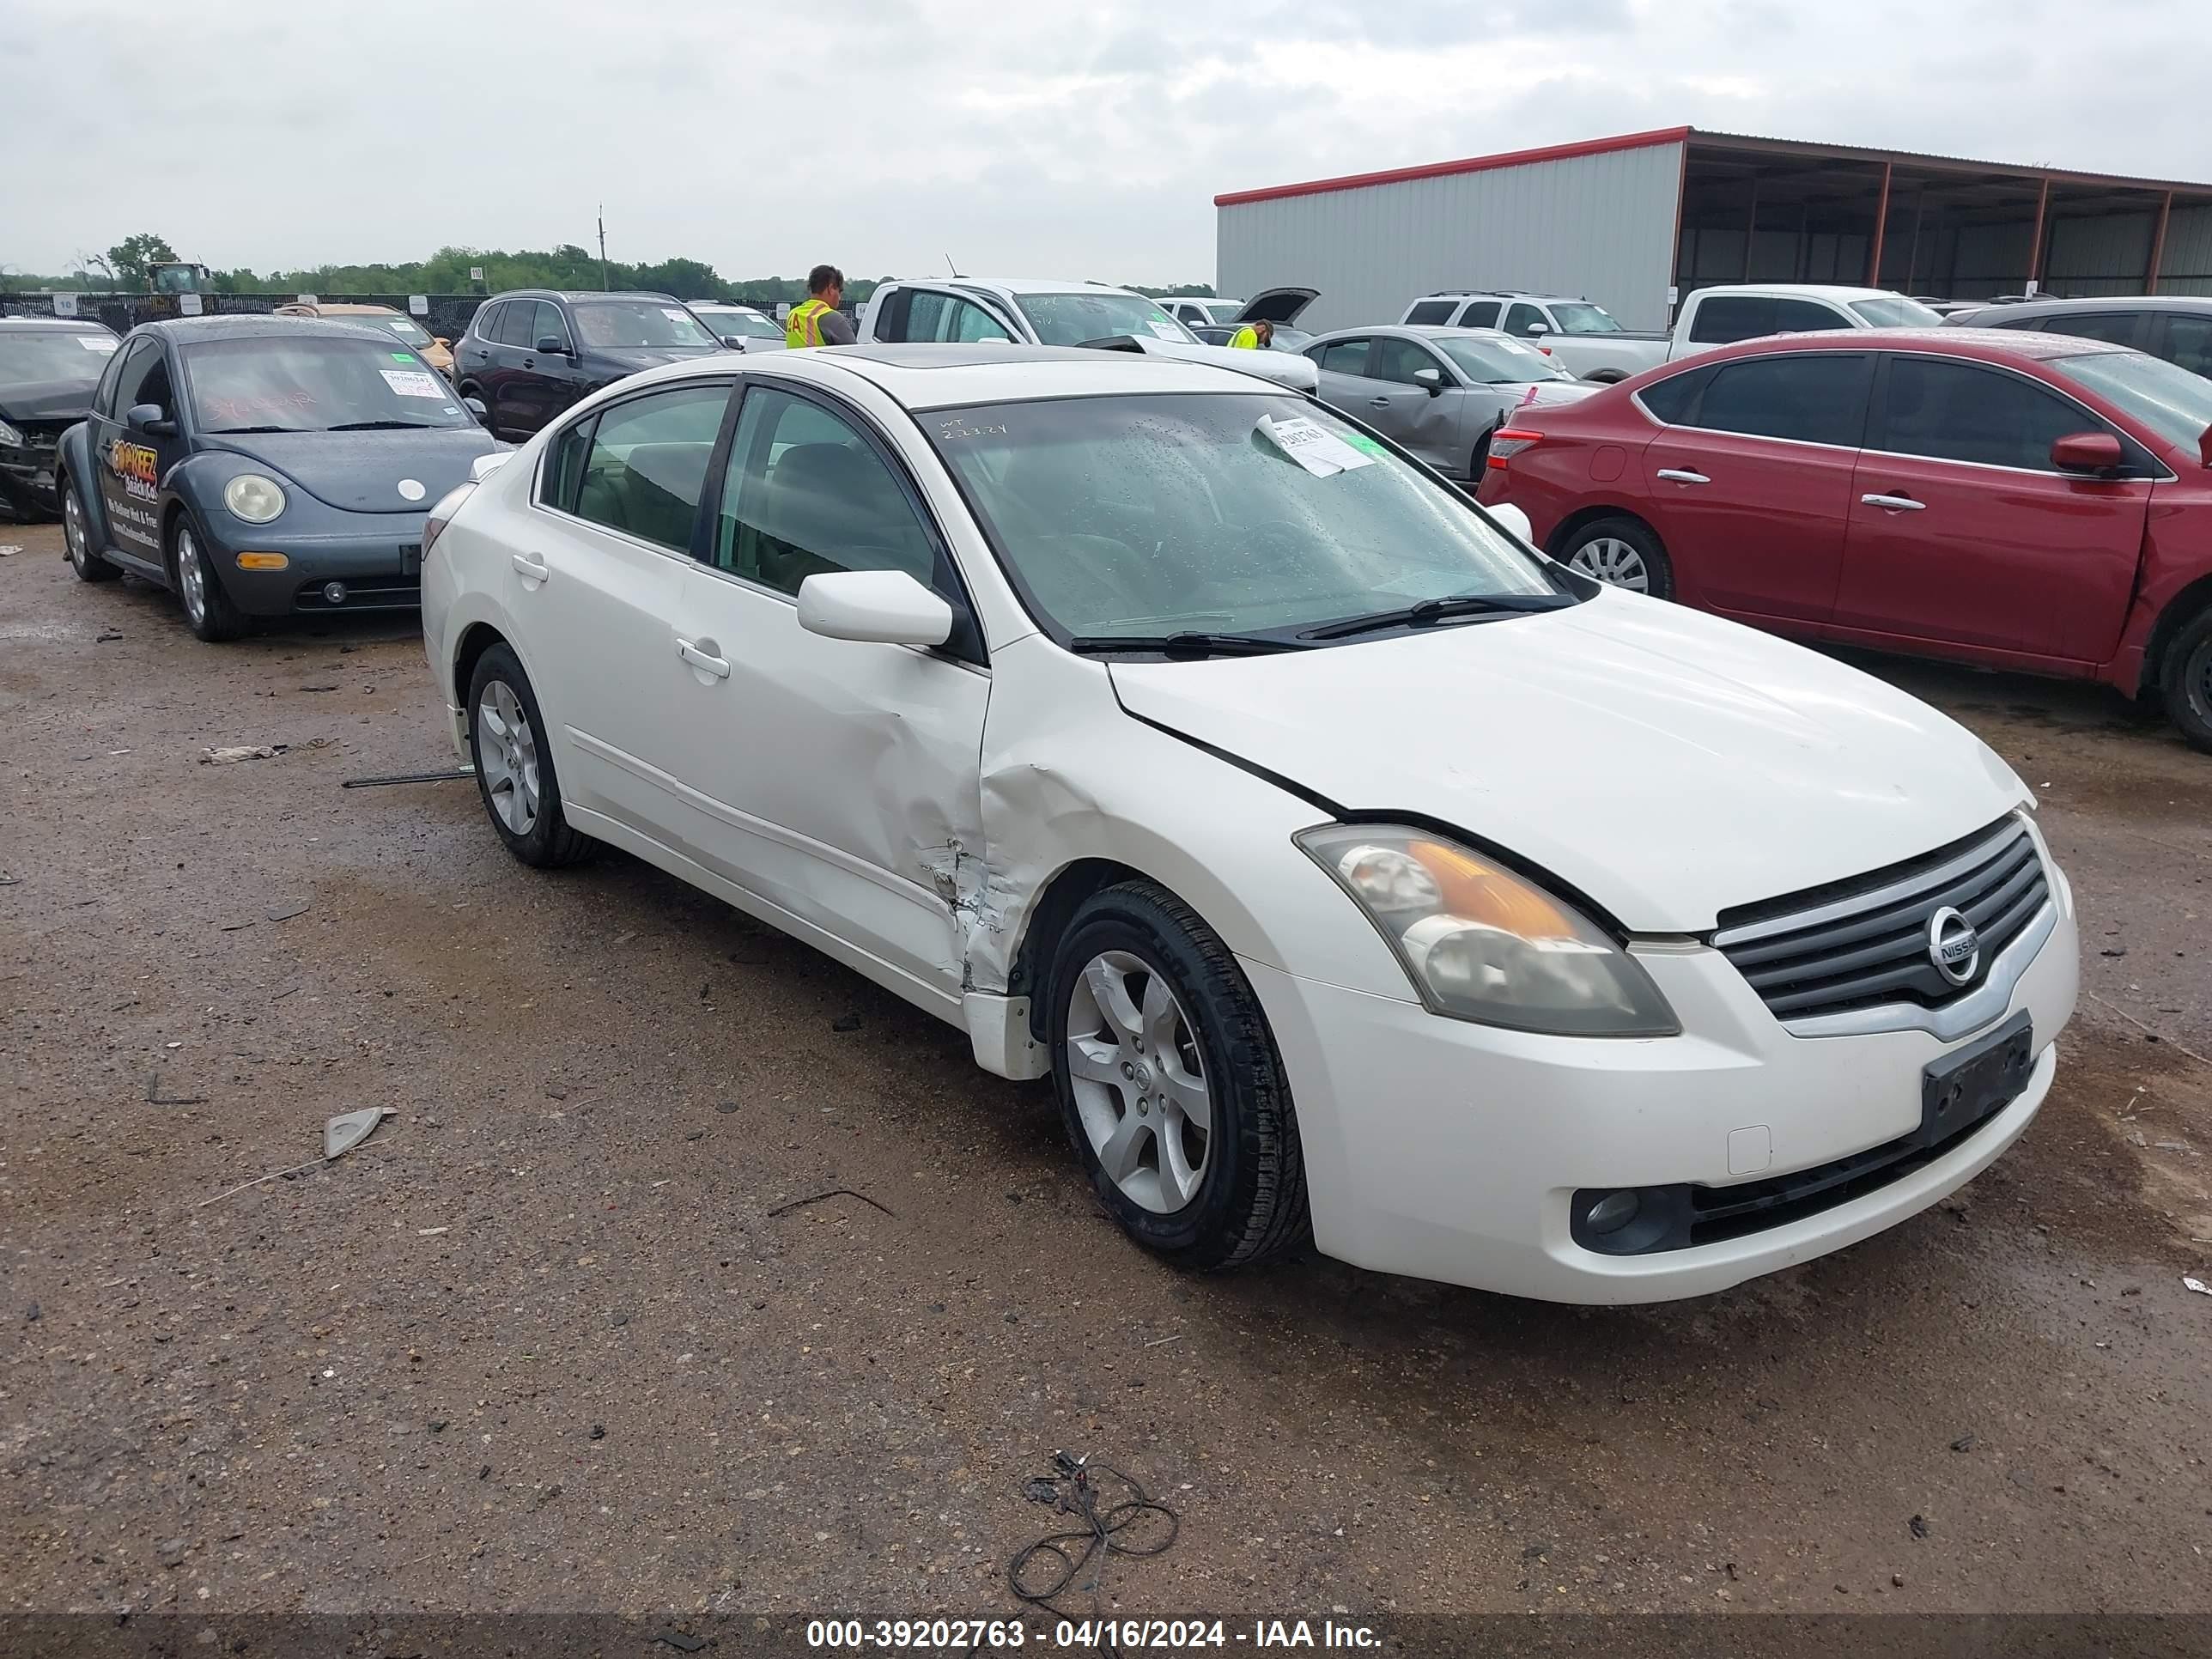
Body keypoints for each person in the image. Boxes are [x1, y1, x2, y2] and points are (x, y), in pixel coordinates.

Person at [786, 265, 856, 349]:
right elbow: (853, 353)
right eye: (839, 291)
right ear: (830, 288)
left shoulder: (793, 314)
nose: (840, 298)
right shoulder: (831, 318)